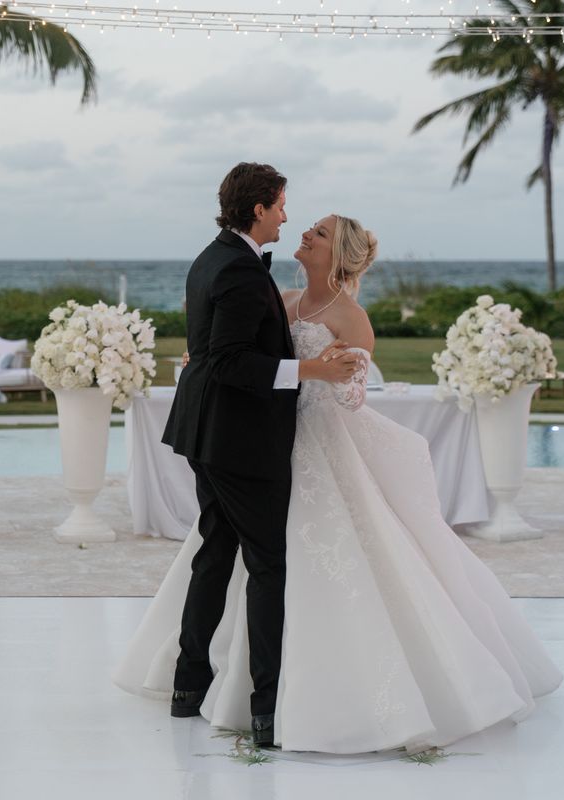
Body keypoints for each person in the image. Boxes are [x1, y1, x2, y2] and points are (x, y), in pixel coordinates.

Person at [114, 213, 562, 754]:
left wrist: (343, 375)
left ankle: (298, 696)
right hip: (262, 442)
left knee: (305, 557)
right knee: (236, 555)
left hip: (318, 442)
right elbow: (244, 355)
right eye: (308, 227)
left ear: (339, 254)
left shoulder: (351, 317)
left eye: (320, 233)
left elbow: (353, 397)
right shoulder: (282, 299)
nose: (305, 233)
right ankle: (216, 678)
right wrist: (208, 356)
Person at [157, 165, 358, 747]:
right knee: (268, 566)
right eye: (281, 205)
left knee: (215, 554)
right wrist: (311, 369)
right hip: (239, 441)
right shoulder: (240, 270)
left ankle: (188, 686)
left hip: (207, 434)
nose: (287, 217)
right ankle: (266, 709)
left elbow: (211, 348)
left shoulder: (212, 257)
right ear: (260, 209)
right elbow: (228, 360)